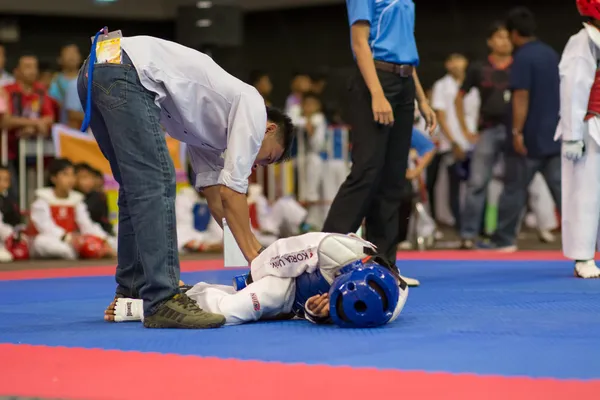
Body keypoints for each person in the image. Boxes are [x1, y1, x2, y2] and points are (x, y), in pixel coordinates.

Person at [77, 33, 294, 329]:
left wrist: (249, 251)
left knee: (136, 186)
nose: (258, 163)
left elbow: (216, 195)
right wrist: (258, 258)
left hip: (96, 68)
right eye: (267, 157)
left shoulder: (209, 131)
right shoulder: (253, 108)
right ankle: (162, 299)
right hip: (124, 70)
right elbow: (233, 192)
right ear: (269, 129)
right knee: (156, 181)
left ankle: (133, 288)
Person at [322, 0, 436, 268]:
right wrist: (377, 94)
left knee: (393, 180)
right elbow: (360, 43)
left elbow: (406, 48)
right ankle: (324, 255)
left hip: (405, 82)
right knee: (367, 170)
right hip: (375, 80)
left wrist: (422, 99)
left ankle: (383, 266)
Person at [105, 232, 409, 328]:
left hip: (298, 301)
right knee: (230, 311)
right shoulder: (333, 250)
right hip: (285, 278)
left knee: (237, 301)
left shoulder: (388, 305)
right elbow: (282, 253)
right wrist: (252, 278)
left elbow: (332, 313)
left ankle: (188, 292)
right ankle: (147, 307)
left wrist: (317, 314)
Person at [482, 7, 561, 251]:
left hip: (528, 137)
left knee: (513, 189)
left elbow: (521, 96)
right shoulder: (550, 53)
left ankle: (504, 240)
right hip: (554, 135)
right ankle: (591, 240)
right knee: (564, 193)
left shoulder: (523, 57)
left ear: (515, 33)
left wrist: (516, 131)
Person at [455, 22, 513, 249]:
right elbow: (459, 97)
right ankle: (469, 233)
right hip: (487, 131)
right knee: (477, 182)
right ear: (490, 41)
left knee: (514, 185)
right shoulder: (479, 68)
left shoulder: (519, 65)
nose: (504, 41)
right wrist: (465, 130)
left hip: (514, 131)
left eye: (507, 37)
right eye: (499, 37)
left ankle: (505, 235)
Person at [555, 0, 600, 278]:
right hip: (587, 126)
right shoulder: (583, 41)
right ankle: (582, 256)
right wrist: (572, 134)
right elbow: (573, 88)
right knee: (583, 193)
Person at [29, 158, 116, 260]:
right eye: (65, 175)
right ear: (54, 178)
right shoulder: (43, 199)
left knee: (113, 242)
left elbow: (86, 224)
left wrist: (104, 240)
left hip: (73, 241)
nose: (70, 179)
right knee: (41, 242)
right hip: (54, 239)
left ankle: (90, 250)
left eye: (72, 175)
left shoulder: (77, 199)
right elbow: (45, 226)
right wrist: (68, 238)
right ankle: (85, 252)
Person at [430, 53, 480, 231]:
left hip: (474, 141)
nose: (459, 65)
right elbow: (441, 116)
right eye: (454, 62)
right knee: (455, 187)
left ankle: (477, 226)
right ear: (448, 64)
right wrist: (453, 142)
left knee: (476, 185)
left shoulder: (473, 86)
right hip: (453, 143)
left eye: (462, 61)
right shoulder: (441, 86)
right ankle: (460, 226)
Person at [49, 44, 82, 125]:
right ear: (59, 59)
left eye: (74, 53)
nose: (72, 56)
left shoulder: (86, 78)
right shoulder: (56, 81)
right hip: (66, 125)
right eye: (68, 53)